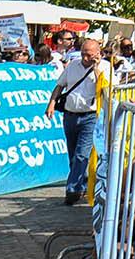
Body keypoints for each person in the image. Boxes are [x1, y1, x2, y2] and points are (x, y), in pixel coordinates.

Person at [46, 35, 108, 206]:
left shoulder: (105, 68)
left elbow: (107, 89)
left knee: (82, 154)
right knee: (73, 155)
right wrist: (51, 103)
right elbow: (60, 85)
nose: (86, 58)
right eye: (83, 54)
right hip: (70, 115)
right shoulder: (73, 66)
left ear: (98, 53)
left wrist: (96, 68)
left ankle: (72, 189)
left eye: (90, 54)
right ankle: (83, 181)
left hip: (89, 116)